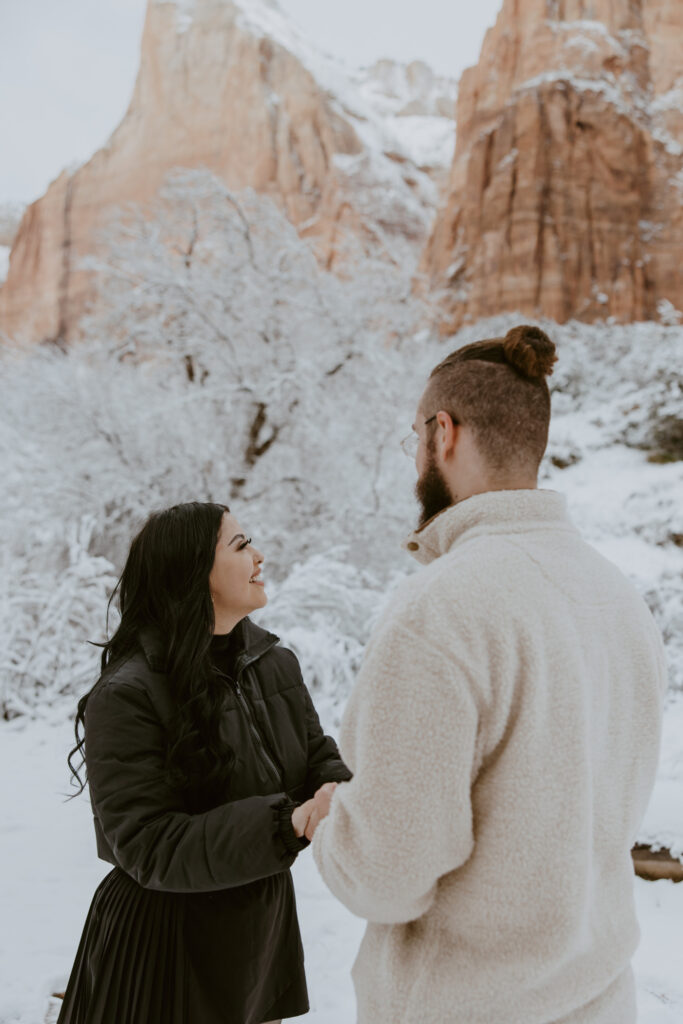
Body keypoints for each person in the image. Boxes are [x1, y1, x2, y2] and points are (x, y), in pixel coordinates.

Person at [306, 325, 668, 1023]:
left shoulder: (441, 606)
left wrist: (330, 822)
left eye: (416, 436)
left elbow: (388, 874)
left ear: (442, 432)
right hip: (598, 1002)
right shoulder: (617, 596)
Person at [59, 501, 351, 1024]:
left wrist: (341, 794)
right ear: (194, 572)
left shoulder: (275, 664)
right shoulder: (127, 694)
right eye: (240, 546)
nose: (259, 557)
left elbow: (317, 763)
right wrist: (287, 822)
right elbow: (149, 845)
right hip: (163, 949)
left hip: (255, 939)